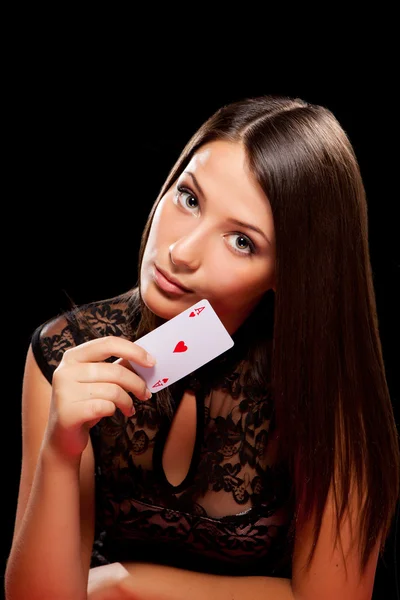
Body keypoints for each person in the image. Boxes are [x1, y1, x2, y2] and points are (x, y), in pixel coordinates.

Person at [5, 94, 400, 600]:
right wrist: (60, 452)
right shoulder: (69, 352)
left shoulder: (325, 387)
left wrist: (124, 585)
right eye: (189, 198)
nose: (180, 252)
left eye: (242, 241)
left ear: (290, 271)